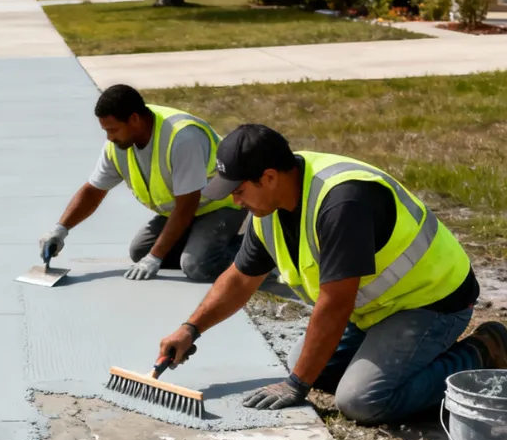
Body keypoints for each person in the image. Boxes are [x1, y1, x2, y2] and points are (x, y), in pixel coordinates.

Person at [156, 123, 507, 424]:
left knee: (361, 401)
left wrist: (296, 385)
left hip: (431, 301)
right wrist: (191, 328)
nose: (235, 202)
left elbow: (336, 303)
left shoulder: (343, 203)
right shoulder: (272, 207)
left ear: (269, 177)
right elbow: (239, 278)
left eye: (239, 191)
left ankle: (483, 350)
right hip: (378, 308)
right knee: (306, 363)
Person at [39, 85, 246, 282]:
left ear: (134, 119)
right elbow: (93, 191)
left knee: (196, 266)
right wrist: (60, 229)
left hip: (222, 205)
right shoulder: (117, 146)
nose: (109, 138)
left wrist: (155, 257)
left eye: (113, 130)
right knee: (140, 252)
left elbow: (187, 205)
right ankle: (198, 241)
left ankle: (257, 250)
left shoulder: (182, 138)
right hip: (184, 210)